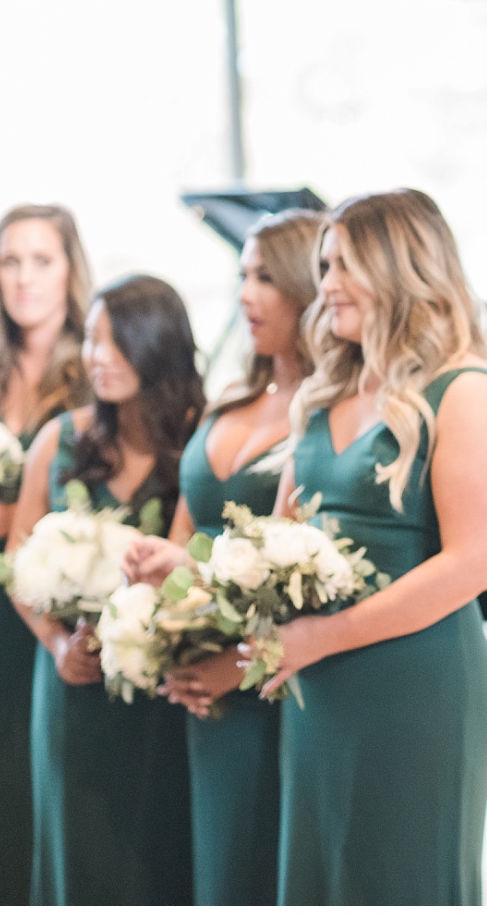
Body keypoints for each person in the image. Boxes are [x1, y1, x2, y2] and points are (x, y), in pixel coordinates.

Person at [249, 189, 487, 905]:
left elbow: (472, 564)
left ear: (403, 268)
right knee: (322, 880)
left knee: (401, 879)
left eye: (345, 265)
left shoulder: (466, 390)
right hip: (319, 682)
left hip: (415, 684)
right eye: (325, 264)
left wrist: (321, 637)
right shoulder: (324, 391)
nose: (326, 285)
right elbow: (275, 536)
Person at [122, 208, 323, 905]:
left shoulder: (330, 414)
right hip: (194, 685)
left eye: (265, 277)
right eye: (241, 275)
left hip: (266, 681)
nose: (244, 295)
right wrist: (152, 605)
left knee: (260, 864)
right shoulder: (226, 402)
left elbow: (302, 571)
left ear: (308, 285)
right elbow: (183, 541)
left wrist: (238, 665)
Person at [10, 274, 202, 904]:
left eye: (116, 342)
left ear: (155, 345)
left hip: (165, 688)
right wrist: (56, 643)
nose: (98, 357)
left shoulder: (197, 440)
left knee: (162, 852)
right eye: (92, 340)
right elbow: (18, 558)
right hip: (72, 680)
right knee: (79, 851)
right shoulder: (58, 438)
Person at [0, 205, 93, 904]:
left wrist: (12, 516)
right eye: (10, 262)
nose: (25, 278)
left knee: (53, 791)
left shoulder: (95, 367)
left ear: (70, 270)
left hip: (63, 605)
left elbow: (113, 496)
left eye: (42, 260)